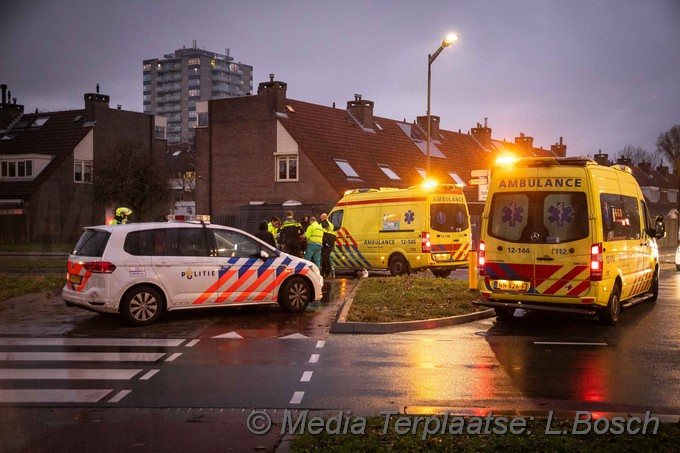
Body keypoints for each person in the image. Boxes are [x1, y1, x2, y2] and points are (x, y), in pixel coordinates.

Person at [320, 213, 337, 278]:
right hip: (330, 244)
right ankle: (327, 271)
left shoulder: (324, 223)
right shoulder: (330, 224)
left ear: (324, 218)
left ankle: (327, 272)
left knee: (325, 258)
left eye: (321, 218)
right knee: (326, 258)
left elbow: (322, 231)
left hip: (326, 244)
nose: (321, 220)